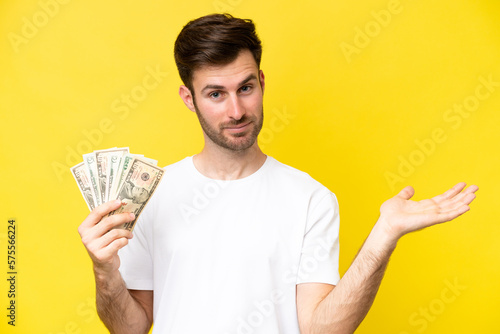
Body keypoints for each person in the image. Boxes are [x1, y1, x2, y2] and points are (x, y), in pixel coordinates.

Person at [78, 13, 478, 334]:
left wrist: (383, 236)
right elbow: (129, 328)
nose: (236, 111)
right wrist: (104, 270)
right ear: (189, 98)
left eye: (246, 88)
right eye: (216, 94)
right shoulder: (153, 195)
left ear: (262, 82)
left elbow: (322, 329)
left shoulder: (310, 199)